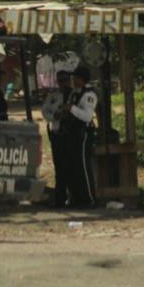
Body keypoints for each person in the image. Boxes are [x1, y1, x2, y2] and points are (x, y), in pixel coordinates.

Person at [59, 65, 98, 209]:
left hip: (83, 133)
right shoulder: (75, 93)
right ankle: (76, 198)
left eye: (75, 77)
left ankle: (89, 198)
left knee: (83, 165)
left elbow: (87, 116)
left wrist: (71, 108)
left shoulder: (89, 95)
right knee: (73, 166)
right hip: (72, 133)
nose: (73, 80)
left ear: (82, 79)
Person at [41, 70, 73, 208]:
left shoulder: (75, 95)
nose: (63, 83)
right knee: (59, 168)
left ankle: (74, 197)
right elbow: (45, 110)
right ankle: (60, 199)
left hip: (72, 135)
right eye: (60, 81)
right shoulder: (54, 95)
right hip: (57, 133)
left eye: (65, 80)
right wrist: (54, 116)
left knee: (72, 167)